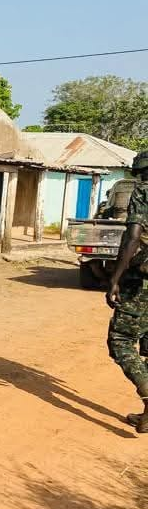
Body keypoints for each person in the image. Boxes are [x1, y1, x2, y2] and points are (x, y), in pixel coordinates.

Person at [106, 149, 148, 433]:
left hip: (142, 285)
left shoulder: (143, 192)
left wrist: (115, 278)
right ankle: (147, 418)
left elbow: (133, 238)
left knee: (120, 340)